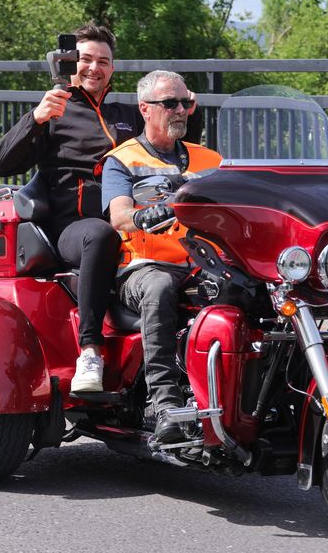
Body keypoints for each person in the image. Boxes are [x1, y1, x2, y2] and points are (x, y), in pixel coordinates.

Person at [0, 24, 200, 394]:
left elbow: (179, 145)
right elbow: (2, 163)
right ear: (70, 63)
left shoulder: (129, 114)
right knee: (99, 233)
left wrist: (184, 105)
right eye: (85, 59)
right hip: (76, 227)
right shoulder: (56, 110)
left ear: (112, 70)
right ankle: (90, 349)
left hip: (137, 226)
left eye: (103, 61)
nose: (93, 67)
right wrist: (35, 119)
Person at [100, 70, 222, 443]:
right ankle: (164, 402)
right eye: (170, 103)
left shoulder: (211, 159)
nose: (180, 110)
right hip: (142, 267)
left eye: (186, 102)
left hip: (203, 265)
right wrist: (142, 215)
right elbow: (118, 215)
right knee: (160, 288)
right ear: (145, 109)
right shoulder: (122, 160)